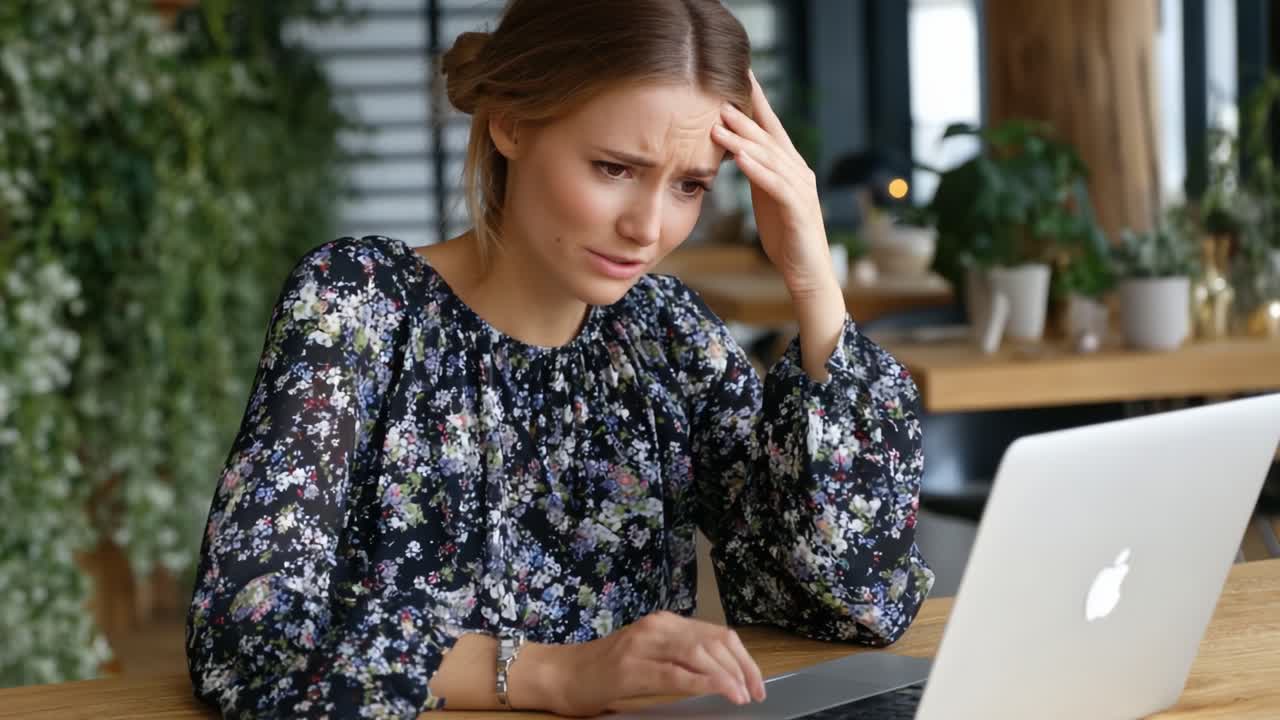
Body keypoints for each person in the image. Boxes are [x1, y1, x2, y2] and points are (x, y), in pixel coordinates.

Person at [184, 0, 935, 717]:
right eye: (614, 168)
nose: (648, 227)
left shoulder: (667, 336)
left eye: (690, 186)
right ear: (510, 122)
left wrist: (811, 278)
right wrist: (555, 674)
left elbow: (846, 604)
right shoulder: (360, 305)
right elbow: (248, 631)